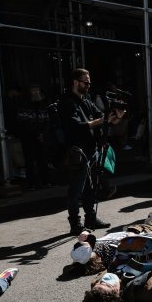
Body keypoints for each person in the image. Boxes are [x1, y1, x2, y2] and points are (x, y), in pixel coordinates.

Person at [59, 68, 122, 233]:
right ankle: (75, 223)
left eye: (89, 82)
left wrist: (116, 116)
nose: (88, 85)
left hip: (91, 149)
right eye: (85, 82)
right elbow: (76, 126)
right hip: (77, 151)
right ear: (75, 82)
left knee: (91, 187)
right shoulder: (67, 102)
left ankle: (91, 218)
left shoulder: (86, 100)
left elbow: (101, 116)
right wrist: (101, 120)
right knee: (76, 189)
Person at [17, 84, 51, 189]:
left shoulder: (44, 105)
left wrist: (43, 134)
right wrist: (37, 134)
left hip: (42, 137)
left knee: (43, 160)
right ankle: (31, 184)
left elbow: (48, 122)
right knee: (30, 161)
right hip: (29, 138)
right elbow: (24, 123)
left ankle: (45, 182)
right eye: (33, 90)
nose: (36, 92)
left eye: (37, 90)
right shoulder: (23, 106)